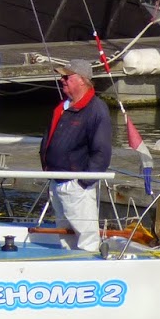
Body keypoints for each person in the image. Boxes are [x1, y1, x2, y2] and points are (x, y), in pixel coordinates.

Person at [40, 60, 114, 251]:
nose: (62, 80)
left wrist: (83, 182)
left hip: (76, 184)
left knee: (86, 237)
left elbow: (102, 151)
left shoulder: (96, 109)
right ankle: (68, 263)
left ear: (82, 80)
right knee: (64, 236)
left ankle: (88, 264)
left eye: (67, 77)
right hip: (56, 180)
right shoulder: (63, 106)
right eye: (62, 77)